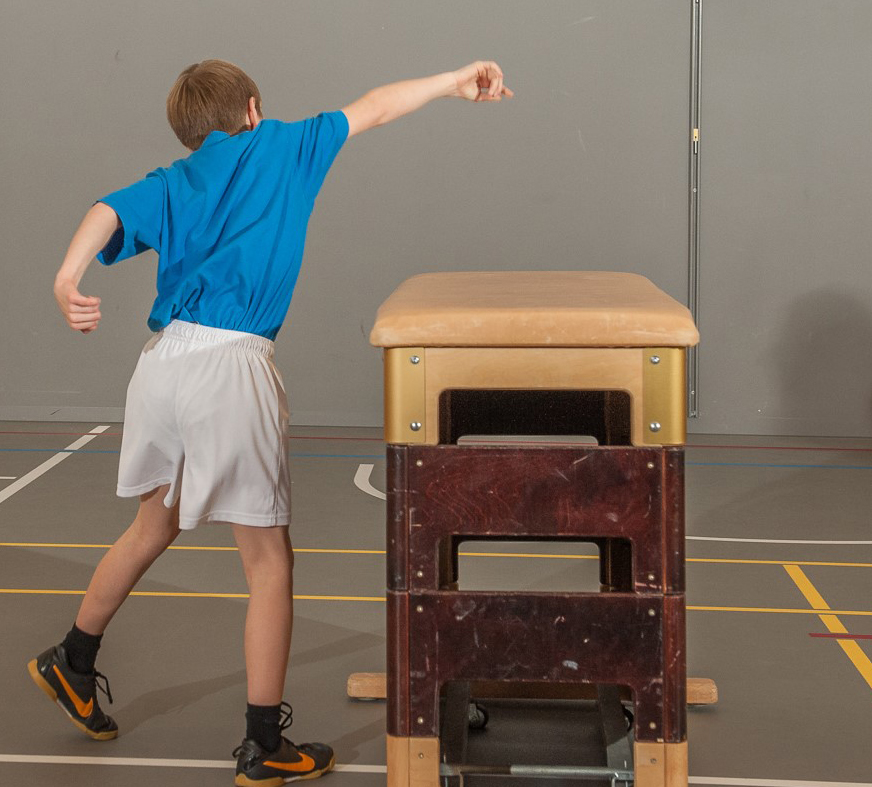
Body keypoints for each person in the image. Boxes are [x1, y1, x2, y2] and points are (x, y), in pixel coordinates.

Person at [27, 58, 511, 785]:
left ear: (190, 130)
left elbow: (105, 210)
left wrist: (67, 279)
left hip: (161, 365)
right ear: (251, 109)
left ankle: (73, 656)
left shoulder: (174, 179)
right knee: (270, 563)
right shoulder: (280, 144)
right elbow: (375, 106)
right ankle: (263, 745)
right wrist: (453, 81)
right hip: (229, 365)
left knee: (151, 526)